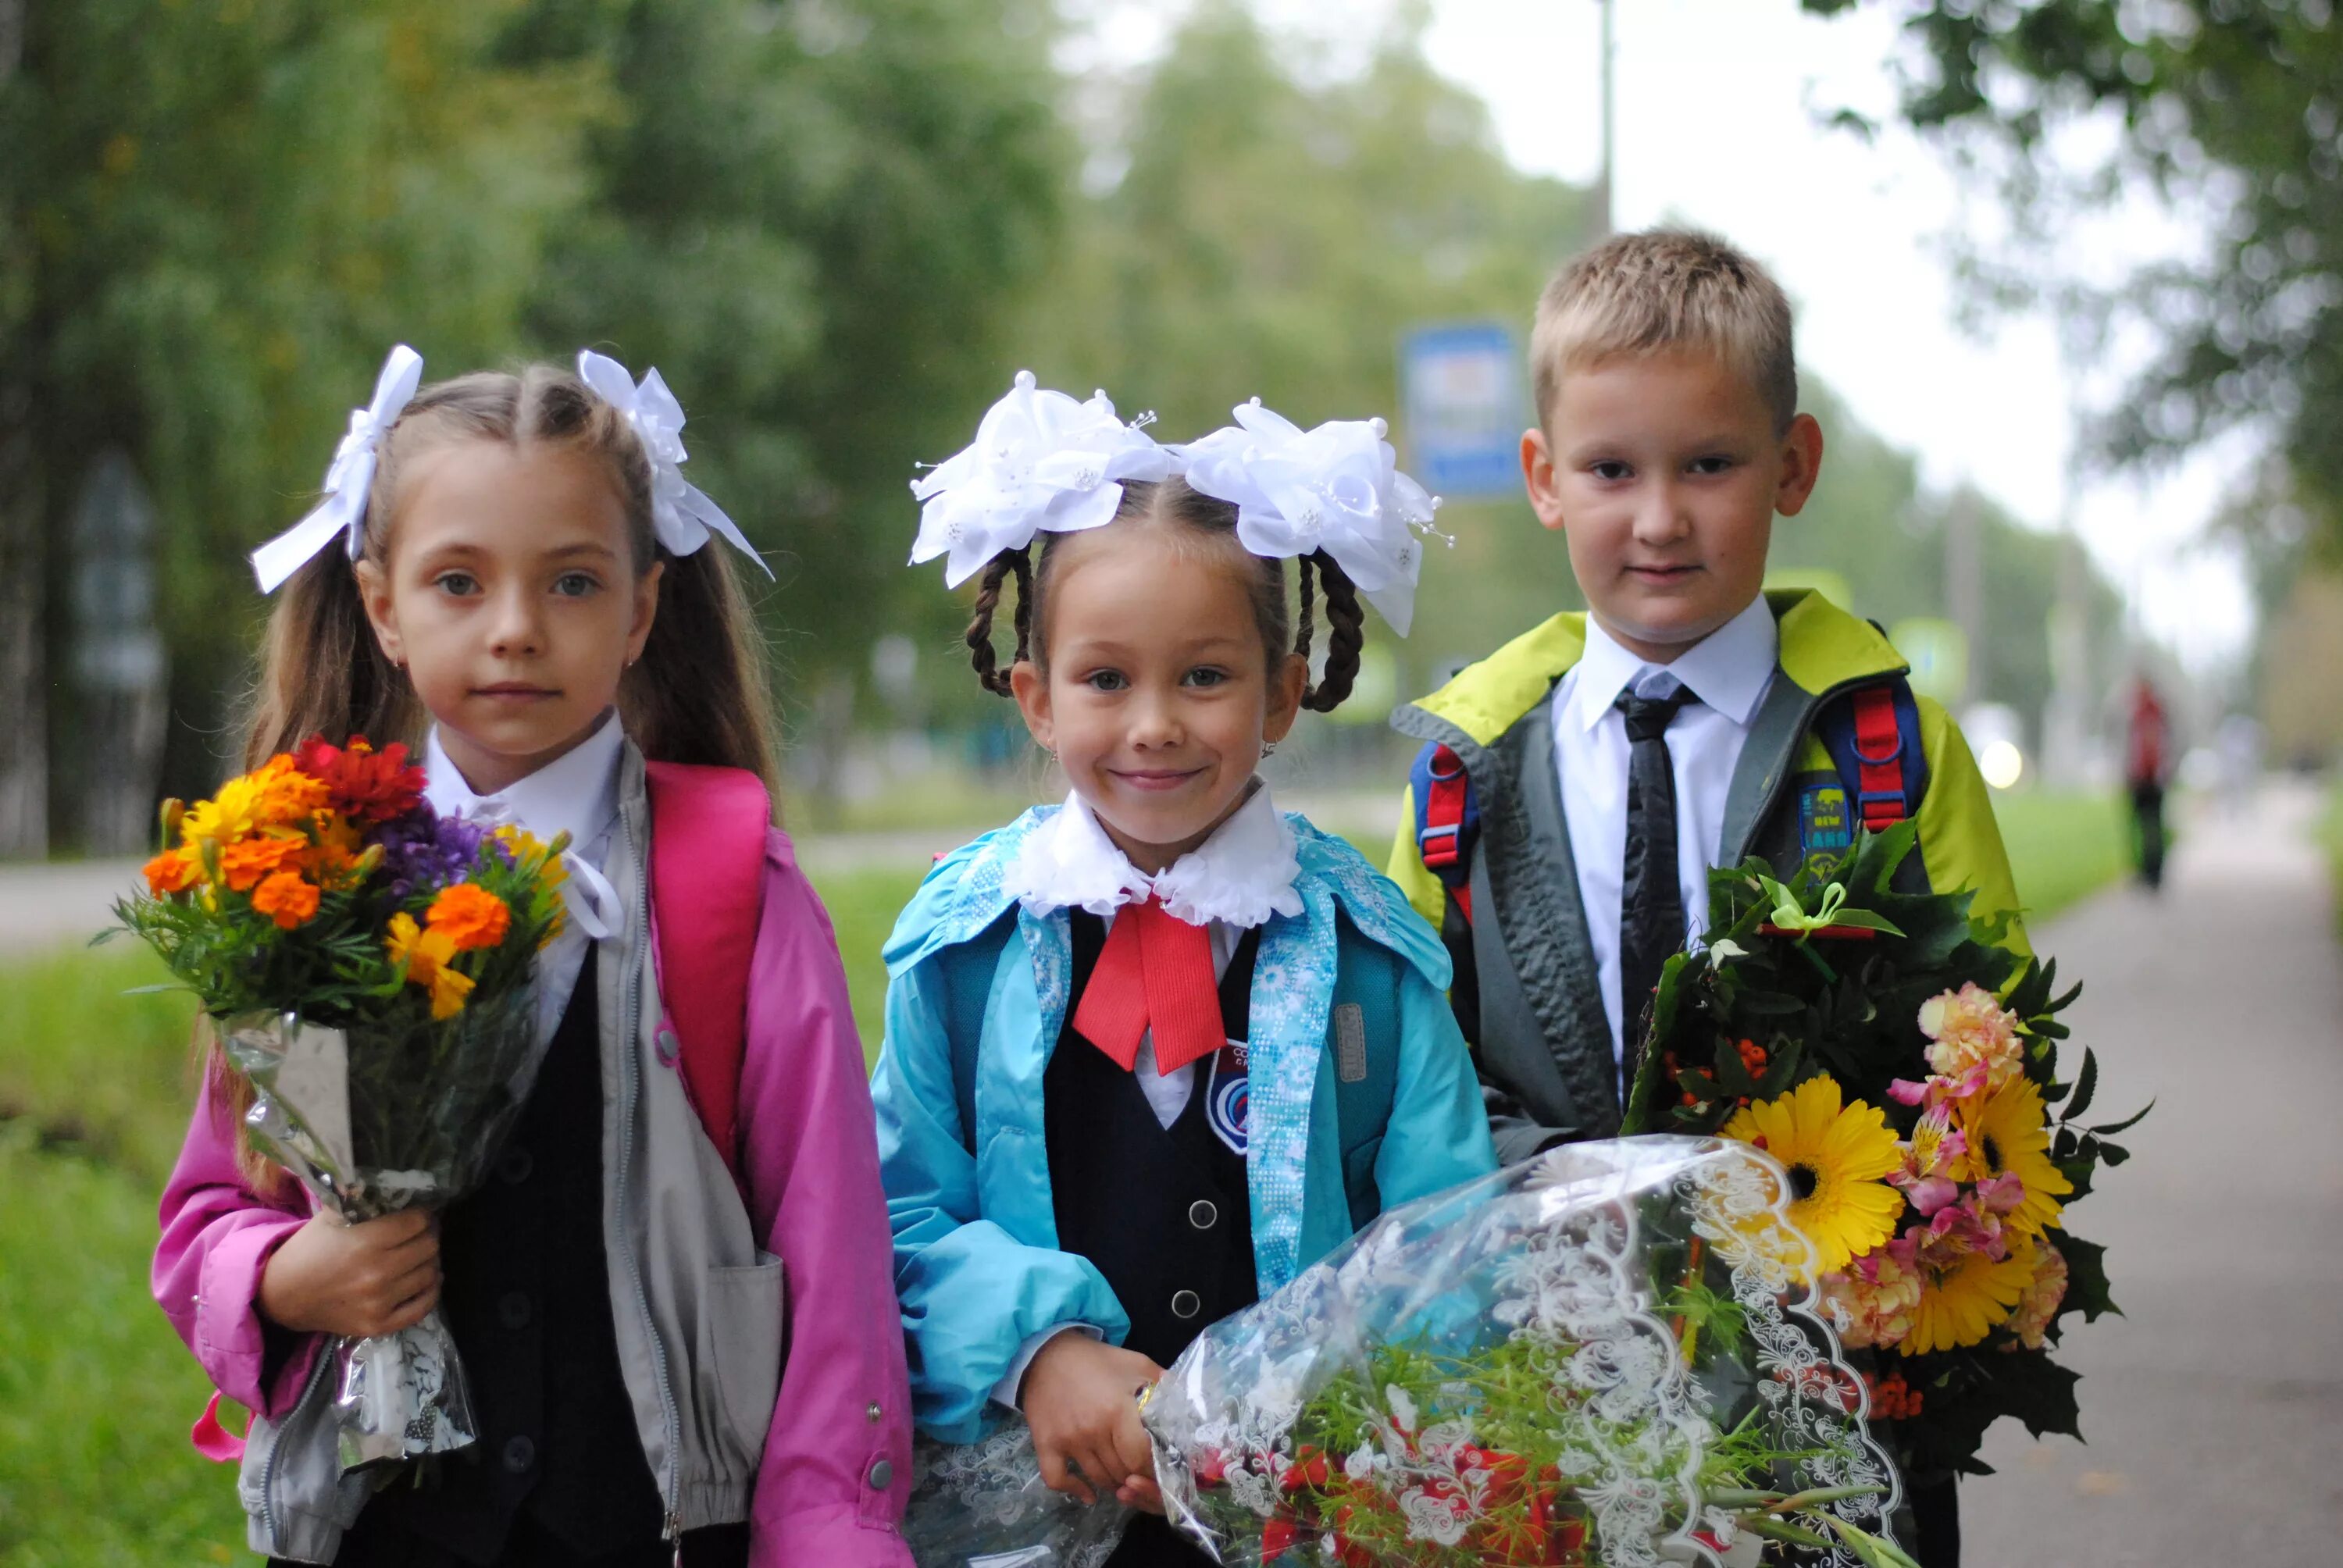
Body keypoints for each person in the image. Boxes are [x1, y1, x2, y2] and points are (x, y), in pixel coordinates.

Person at [152, 347, 914, 1566]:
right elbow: (209, 1215)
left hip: (662, 1526)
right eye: (459, 582)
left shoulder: (730, 882)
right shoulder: (308, 884)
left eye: (570, 583)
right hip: (390, 1526)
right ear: (384, 607)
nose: (515, 630)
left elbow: (833, 1252)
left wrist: (831, 1534)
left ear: (641, 611)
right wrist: (295, 1275)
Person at [1383, 229, 2028, 1568]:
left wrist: (1904, 1242)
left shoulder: (1894, 751)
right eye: (1613, 469)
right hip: (1549, 1400)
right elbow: (1408, 1068)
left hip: (1835, 1422)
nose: (1661, 516)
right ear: (1543, 477)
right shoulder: (1465, 774)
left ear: (1791, 467)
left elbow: (1998, 1043)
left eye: (1711, 465)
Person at [874, 376, 1496, 1566]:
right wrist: (1038, 1353)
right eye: (1107, 679)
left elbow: (1446, 1253)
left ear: (1281, 693)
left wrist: (1311, 1427)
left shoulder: (1373, 964)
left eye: (1203, 677)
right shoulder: (960, 953)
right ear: (1036, 699)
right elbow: (893, 1208)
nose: (1154, 723)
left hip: (1299, 1517)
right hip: (1029, 1519)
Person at [2124, 675, 2174, 886]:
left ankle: (2155, 871)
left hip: (2154, 778)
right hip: (2139, 778)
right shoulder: (2134, 715)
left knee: (2153, 826)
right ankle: (2143, 869)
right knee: (2139, 826)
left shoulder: (2157, 714)